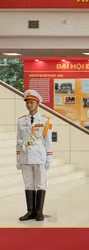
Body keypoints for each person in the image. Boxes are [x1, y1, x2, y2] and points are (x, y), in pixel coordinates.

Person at [16, 89, 52, 222]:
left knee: (40, 184)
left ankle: (39, 212)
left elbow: (48, 142)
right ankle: (30, 211)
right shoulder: (21, 121)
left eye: (31, 102)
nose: (29, 105)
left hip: (39, 156)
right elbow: (18, 141)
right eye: (27, 103)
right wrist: (18, 158)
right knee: (28, 184)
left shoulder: (45, 120)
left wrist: (49, 158)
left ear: (38, 104)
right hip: (25, 156)